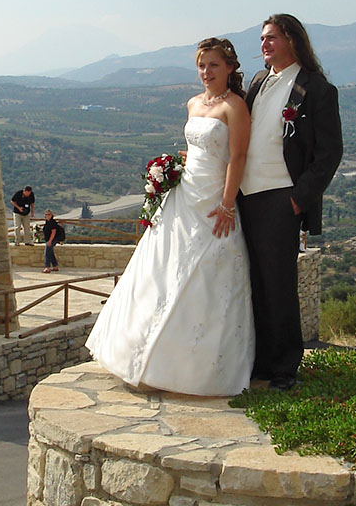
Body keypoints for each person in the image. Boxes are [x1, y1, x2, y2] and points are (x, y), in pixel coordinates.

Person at [86, 38, 254, 397]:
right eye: (201, 65)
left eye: (213, 65)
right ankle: (140, 354)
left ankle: (190, 369)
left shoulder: (235, 107)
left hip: (212, 200)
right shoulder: (194, 104)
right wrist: (174, 166)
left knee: (206, 275)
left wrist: (226, 205)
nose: (206, 72)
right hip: (183, 196)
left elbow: (237, 158)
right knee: (159, 271)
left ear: (229, 68)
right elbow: (200, 147)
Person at [239, 14, 343, 390]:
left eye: (271, 38)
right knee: (254, 282)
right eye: (262, 38)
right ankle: (261, 362)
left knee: (278, 284)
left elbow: (329, 153)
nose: (264, 44)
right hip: (246, 197)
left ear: (293, 41)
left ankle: (284, 367)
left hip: (282, 197)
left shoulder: (316, 89)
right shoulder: (257, 82)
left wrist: (299, 200)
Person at [42, 209, 61, 273]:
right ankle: (55, 266)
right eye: (46, 214)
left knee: (47, 253)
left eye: (49, 214)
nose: (47, 216)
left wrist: (50, 241)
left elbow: (53, 232)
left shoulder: (52, 222)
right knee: (51, 253)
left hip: (52, 239)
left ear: (52, 215)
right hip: (48, 239)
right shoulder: (47, 222)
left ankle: (47, 267)